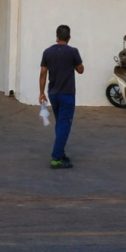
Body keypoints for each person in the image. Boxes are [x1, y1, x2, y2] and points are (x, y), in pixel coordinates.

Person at [39, 24, 84, 169]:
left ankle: (61, 152)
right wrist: (75, 63)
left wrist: (41, 93)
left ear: (56, 37)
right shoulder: (73, 52)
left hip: (53, 93)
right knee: (65, 124)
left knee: (60, 123)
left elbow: (43, 73)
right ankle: (57, 157)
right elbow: (80, 70)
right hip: (67, 93)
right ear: (69, 38)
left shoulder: (47, 52)